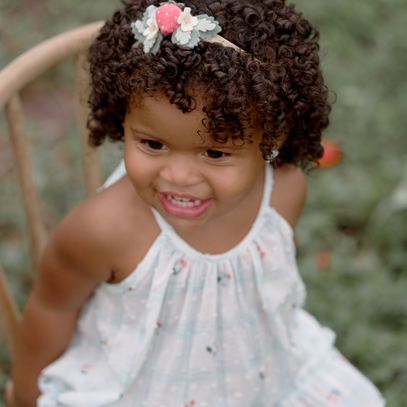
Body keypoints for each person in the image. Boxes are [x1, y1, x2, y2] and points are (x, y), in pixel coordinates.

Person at [7, 0, 385, 406]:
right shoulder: (104, 230)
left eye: (215, 153)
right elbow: (51, 309)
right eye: (153, 144)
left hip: (263, 373)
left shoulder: (284, 192)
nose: (178, 176)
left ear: (270, 143)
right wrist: (26, 395)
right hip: (143, 387)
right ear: (123, 121)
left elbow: (264, 293)